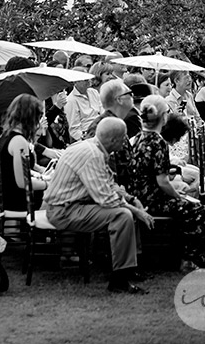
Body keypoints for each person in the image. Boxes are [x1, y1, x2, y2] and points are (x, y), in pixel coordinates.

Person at [44, 117, 156, 294]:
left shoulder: (92, 147)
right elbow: (105, 198)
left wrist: (131, 199)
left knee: (124, 211)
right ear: (114, 140)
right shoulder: (93, 155)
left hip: (69, 206)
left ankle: (126, 270)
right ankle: (119, 279)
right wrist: (137, 211)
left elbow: (108, 184)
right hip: (63, 211)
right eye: (124, 138)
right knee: (122, 215)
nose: (126, 143)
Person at [129, 95, 205, 269]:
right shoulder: (158, 142)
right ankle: (189, 258)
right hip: (152, 200)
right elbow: (163, 182)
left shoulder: (138, 137)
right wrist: (178, 196)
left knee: (188, 203)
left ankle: (183, 256)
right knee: (200, 210)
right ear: (164, 116)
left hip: (138, 196)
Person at [0, 93, 48, 211]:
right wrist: (48, 184)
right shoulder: (19, 141)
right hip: (15, 201)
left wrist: (42, 177)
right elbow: (22, 182)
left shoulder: (5, 135)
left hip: (5, 195)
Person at [65, 66, 102, 141]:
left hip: (102, 127)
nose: (88, 81)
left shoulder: (93, 92)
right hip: (88, 134)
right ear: (75, 81)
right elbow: (74, 130)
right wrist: (86, 140)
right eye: (85, 79)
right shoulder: (71, 100)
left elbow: (102, 110)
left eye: (89, 78)